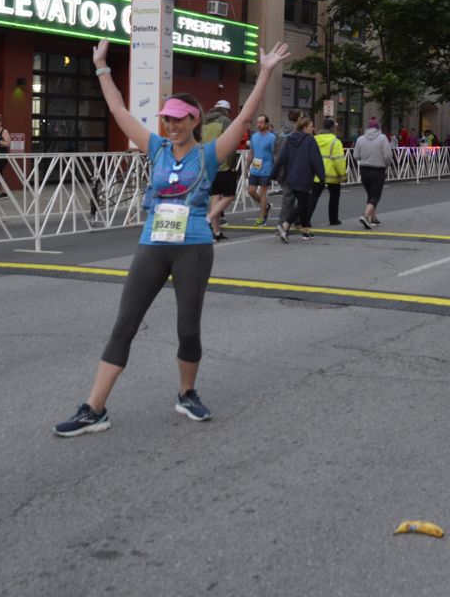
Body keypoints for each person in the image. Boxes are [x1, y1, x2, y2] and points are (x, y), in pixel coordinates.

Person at [53, 39, 290, 437]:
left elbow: (245, 117)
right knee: (124, 325)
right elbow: (118, 110)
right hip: (152, 245)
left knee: (188, 328)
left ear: (195, 120)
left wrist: (265, 72)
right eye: (167, 118)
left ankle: (187, 393)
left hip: (193, 246)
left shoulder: (210, 154)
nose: (171, 124)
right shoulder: (156, 147)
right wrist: (100, 67)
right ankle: (94, 409)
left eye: (179, 118)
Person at [275, 116, 324, 242]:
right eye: (312, 126)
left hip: (290, 176)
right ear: (305, 127)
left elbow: (281, 158)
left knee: (303, 203)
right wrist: (322, 176)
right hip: (305, 176)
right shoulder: (310, 141)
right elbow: (316, 160)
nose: (313, 129)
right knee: (303, 205)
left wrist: (274, 173)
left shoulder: (289, 139)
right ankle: (285, 225)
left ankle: (306, 231)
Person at [202, 100, 236, 241]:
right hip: (222, 164)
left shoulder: (203, 122)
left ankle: (216, 232)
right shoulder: (226, 122)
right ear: (226, 111)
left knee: (215, 196)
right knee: (229, 196)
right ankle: (208, 220)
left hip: (207, 164)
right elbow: (231, 142)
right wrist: (231, 162)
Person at [354, 116, 394, 229]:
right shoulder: (382, 138)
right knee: (375, 195)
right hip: (378, 169)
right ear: (378, 127)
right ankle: (365, 215)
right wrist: (385, 165)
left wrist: (365, 158)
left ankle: (374, 218)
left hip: (364, 169)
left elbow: (355, 155)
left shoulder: (360, 139)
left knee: (371, 194)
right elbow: (388, 155)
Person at [315, 117, 347, 225]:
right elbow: (339, 160)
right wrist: (343, 175)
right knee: (334, 198)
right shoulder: (335, 142)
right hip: (332, 175)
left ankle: (305, 219)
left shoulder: (315, 139)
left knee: (313, 198)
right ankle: (333, 219)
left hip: (317, 173)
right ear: (332, 128)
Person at [247, 115, 276, 226]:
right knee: (251, 191)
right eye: (258, 122)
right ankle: (266, 206)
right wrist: (246, 168)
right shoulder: (254, 136)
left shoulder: (272, 137)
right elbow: (251, 152)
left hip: (267, 168)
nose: (259, 124)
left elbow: (274, 154)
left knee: (262, 192)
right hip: (255, 168)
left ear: (267, 124)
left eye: (261, 122)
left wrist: (275, 169)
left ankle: (261, 218)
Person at [274, 109, 301, 223]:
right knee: (291, 197)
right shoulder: (297, 132)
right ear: (298, 118)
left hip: (281, 167)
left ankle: (296, 218)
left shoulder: (280, 132)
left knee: (292, 195)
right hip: (293, 168)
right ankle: (283, 222)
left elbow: (275, 150)